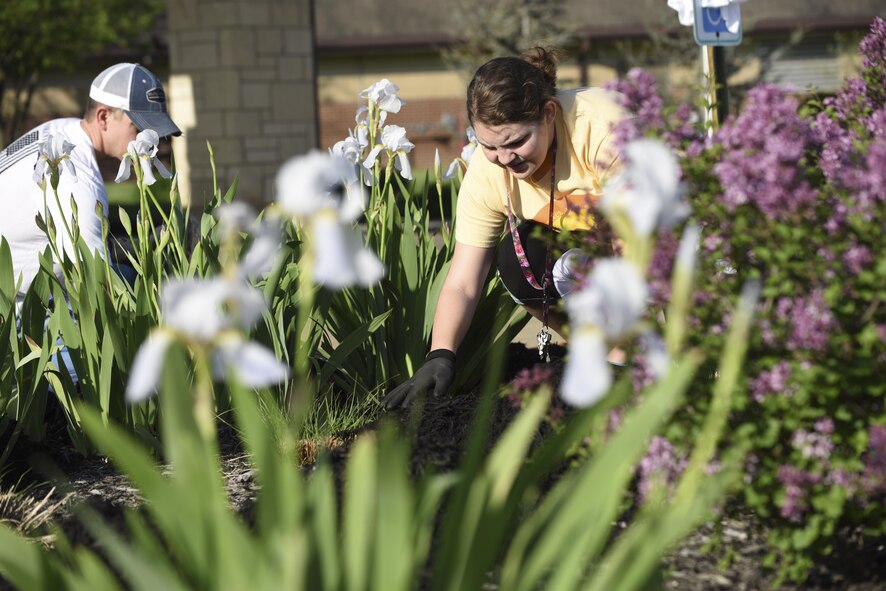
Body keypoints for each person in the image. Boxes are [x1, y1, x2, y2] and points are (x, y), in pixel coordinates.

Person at [383, 48, 627, 409]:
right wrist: (440, 356)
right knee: (520, 257)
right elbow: (465, 279)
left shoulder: (604, 127)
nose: (505, 159)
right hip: (593, 250)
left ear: (548, 114)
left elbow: (639, 241)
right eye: (490, 146)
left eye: (515, 142)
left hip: (674, 236)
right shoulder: (488, 172)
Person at [0, 62, 181, 298]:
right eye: (139, 128)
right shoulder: (77, 179)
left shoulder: (58, 130)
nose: (150, 142)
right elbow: (96, 282)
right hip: (16, 308)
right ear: (104, 117)